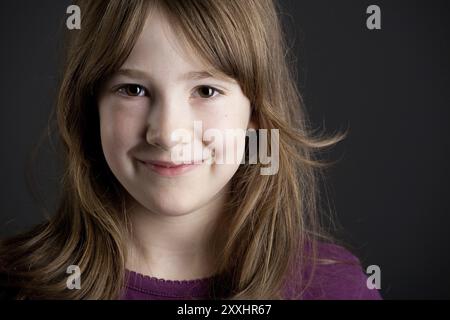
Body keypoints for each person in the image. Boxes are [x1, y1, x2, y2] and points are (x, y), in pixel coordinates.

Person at [0, 0, 381, 300]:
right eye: (133, 89)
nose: (167, 134)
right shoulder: (18, 283)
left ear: (256, 116)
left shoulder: (334, 289)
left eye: (206, 91)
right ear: (90, 109)